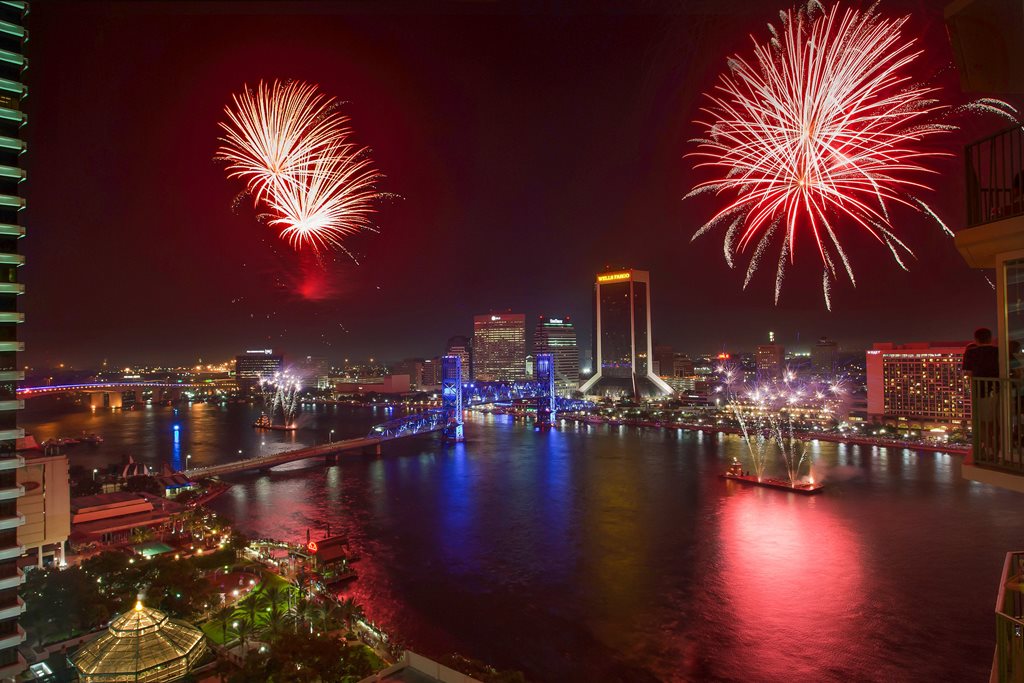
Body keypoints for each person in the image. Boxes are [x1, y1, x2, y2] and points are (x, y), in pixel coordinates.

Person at [963, 327, 1000, 459]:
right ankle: (997, 447)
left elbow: (968, 373)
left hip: (982, 392)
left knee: (984, 423)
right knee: (997, 422)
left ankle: (990, 449)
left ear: (976, 339)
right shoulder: (999, 351)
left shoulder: (971, 352)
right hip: (1000, 390)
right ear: (990, 338)